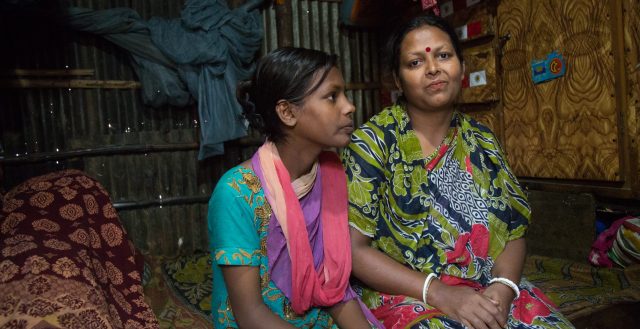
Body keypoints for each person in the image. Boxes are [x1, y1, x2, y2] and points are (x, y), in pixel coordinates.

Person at [341, 14, 574, 329]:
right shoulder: (373, 143)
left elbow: (514, 232)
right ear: (397, 80)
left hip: (487, 289)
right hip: (406, 295)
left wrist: (503, 288)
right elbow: (354, 251)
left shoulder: (482, 141)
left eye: (443, 55)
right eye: (414, 63)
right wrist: (439, 293)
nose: (433, 68)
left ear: (462, 68)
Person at [208, 47, 381, 328]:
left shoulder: (331, 177)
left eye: (344, 95)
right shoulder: (237, 194)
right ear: (287, 112)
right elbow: (251, 315)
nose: (349, 106)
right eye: (331, 96)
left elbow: (335, 290)